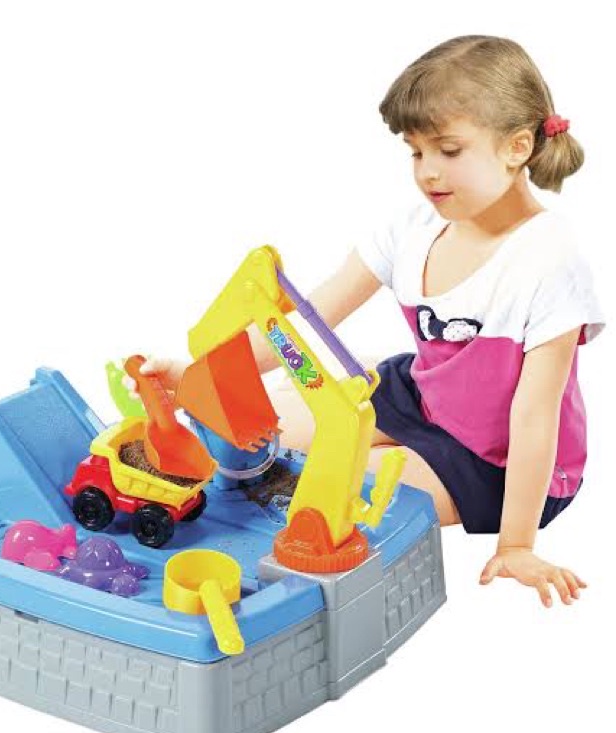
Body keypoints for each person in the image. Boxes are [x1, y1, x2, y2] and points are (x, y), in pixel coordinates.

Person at [125, 35, 606, 608]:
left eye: (449, 150)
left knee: (320, 492)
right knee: (252, 439)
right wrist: (198, 377)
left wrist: (517, 544)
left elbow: (534, 417)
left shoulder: (548, 261)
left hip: (496, 461)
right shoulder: (414, 229)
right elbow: (305, 323)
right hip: (423, 397)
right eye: (416, 152)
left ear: (517, 147)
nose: (428, 172)